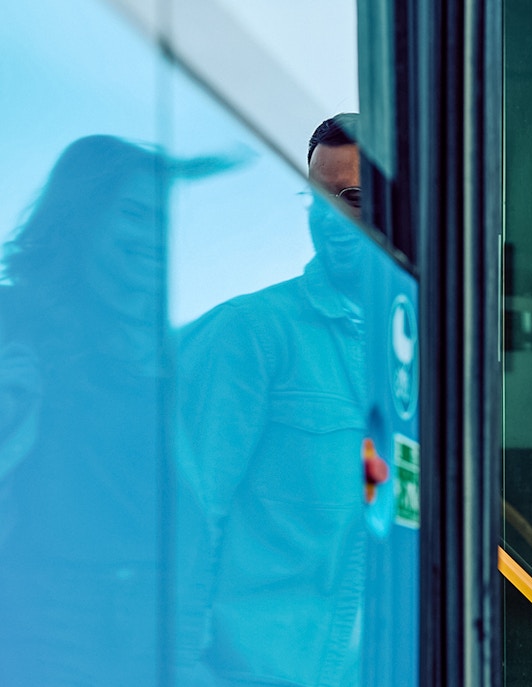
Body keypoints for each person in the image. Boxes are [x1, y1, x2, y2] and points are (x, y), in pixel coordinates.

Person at [0, 135, 232, 685]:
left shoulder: (153, 347)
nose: (150, 237)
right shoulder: (19, 315)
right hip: (51, 618)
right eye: (131, 214)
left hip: (150, 627)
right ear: (81, 218)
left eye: (160, 221)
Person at [176, 113, 386, 686]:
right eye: (317, 197)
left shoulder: (422, 357)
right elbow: (187, 523)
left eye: (354, 197)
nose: (331, 220)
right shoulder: (248, 333)